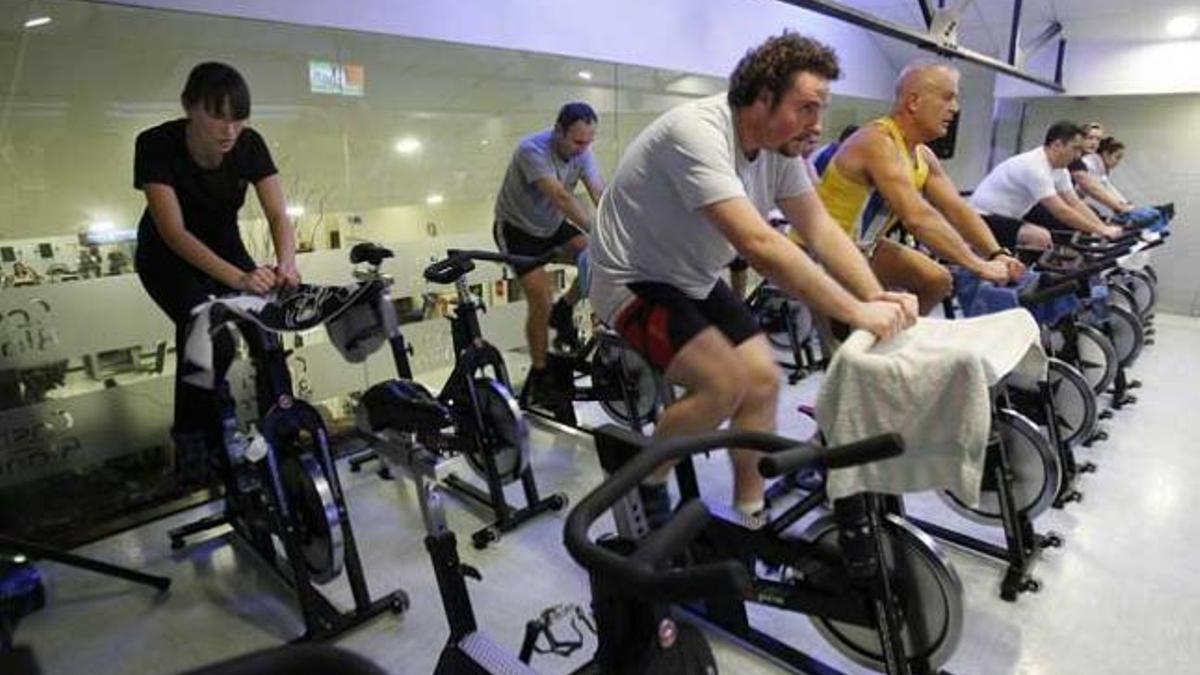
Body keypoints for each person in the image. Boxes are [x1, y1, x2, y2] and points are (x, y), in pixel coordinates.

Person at [589, 32, 917, 522]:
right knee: (722, 384)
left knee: (763, 378)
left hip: (693, 275)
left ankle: (750, 512)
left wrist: (874, 294)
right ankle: (644, 480)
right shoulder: (697, 133)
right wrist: (855, 312)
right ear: (763, 96)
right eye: (806, 108)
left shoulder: (779, 151)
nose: (817, 126)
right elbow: (761, 246)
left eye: (821, 110)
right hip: (630, 276)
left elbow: (820, 229)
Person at [133, 62, 299, 485]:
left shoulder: (249, 145)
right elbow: (173, 231)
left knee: (266, 329)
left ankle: (280, 428)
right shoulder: (156, 144)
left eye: (238, 118)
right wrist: (239, 279)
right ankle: (192, 440)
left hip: (224, 243)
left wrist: (286, 262)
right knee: (208, 339)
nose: (229, 130)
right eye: (217, 116)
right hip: (167, 255)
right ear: (190, 107)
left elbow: (278, 213)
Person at [809, 61, 1023, 315]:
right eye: (947, 98)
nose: (955, 109)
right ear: (913, 102)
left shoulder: (923, 155)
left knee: (938, 280)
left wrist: (996, 253)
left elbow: (956, 209)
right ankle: (861, 340)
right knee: (854, 333)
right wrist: (978, 266)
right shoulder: (877, 142)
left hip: (865, 248)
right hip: (823, 250)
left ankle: (893, 339)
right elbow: (917, 217)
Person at [493, 103, 605, 406]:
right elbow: (560, 196)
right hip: (518, 231)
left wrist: (614, 227)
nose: (584, 148)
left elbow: (599, 193)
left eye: (588, 142)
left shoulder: (583, 152)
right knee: (540, 298)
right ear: (558, 131)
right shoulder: (532, 150)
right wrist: (598, 231)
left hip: (552, 225)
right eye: (578, 141)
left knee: (597, 259)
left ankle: (565, 308)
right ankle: (541, 374)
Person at [970, 121, 1122, 245]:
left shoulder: (1059, 169)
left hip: (1009, 217)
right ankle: (1031, 280)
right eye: (1074, 149)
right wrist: (1101, 230)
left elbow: (1075, 203)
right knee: (1039, 237)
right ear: (1057, 145)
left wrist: (1102, 227)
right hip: (982, 217)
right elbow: (1061, 210)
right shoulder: (1035, 166)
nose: (1077, 155)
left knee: (1058, 230)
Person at [1069, 122, 1134, 217]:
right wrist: (1121, 206)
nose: (1094, 143)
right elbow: (1095, 188)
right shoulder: (1086, 161)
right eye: (1090, 138)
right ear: (1080, 138)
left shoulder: (1086, 160)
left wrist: (1122, 204)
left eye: (1098, 139)